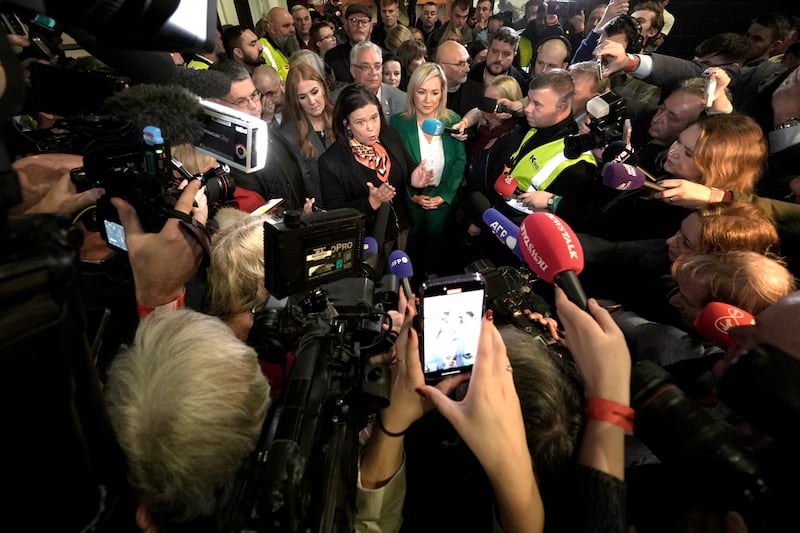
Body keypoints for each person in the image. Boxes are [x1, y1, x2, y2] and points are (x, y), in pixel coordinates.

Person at [318, 84, 434, 247]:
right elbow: (335, 213)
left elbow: (407, 168)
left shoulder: (389, 135)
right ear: (347, 124)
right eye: (360, 122)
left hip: (405, 232)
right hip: (369, 244)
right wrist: (371, 202)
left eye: (374, 118)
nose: (371, 127)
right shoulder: (330, 162)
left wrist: (415, 178)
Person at [390, 62, 467, 275]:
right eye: (421, 92)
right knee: (412, 247)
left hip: (441, 197)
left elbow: (460, 162)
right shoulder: (398, 123)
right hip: (409, 199)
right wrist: (412, 195)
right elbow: (395, 167)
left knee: (436, 246)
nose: (428, 100)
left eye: (434, 92)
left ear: (442, 93)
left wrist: (445, 195)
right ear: (412, 92)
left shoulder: (453, 120)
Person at [280, 63, 335, 194]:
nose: (312, 101)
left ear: (322, 87)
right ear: (295, 100)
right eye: (302, 97)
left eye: (314, 92)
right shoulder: (288, 135)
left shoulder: (340, 117)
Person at [331, 40, 407, 118]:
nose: (373, 72)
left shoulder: (402, 100)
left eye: (377, 66)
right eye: (366, 67)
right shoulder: (335, 101)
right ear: (353, 71)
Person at [468, 25, 528, 94]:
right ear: (488, 50)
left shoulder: (521, 85)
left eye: (506, 54)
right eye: (494, 51)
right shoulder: (469, 74)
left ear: (514, 56)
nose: (499, 58)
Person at [325, 3, 374, 83]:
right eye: (354, 21)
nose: (360, 26)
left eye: (364, 21)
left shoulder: (384, 57)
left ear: (371, 27)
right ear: (346, 25)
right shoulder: (332, 57)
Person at [257, 7, 295, 80]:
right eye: (286, 26)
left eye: (293, 24)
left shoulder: (287, 45)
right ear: (272, 29)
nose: (292, 29)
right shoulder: (262, 49)